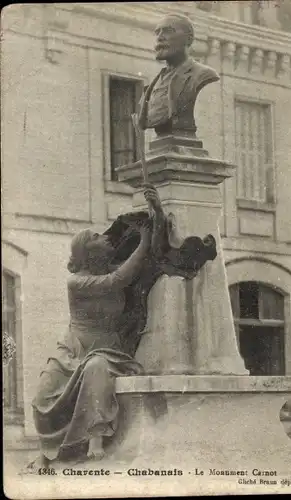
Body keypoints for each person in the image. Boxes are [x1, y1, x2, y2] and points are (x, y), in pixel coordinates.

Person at [30, 186, 160, 468]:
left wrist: (155, 210)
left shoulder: (112, 266)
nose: (105, 237)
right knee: (44, 391)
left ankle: (95, 438)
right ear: (87, 252)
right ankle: (48, 450)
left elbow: (138, 263)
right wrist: (145, 239)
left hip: (106, 348)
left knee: (96, 368)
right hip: (72, 348)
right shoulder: (76, 281)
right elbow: (119, 280)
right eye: (97, 237)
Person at [138, 13, 220, 136]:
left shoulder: (201, 75)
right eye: (157, 32)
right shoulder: (153, 85)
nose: (159, 37)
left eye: (168, 31)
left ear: (188, 38)